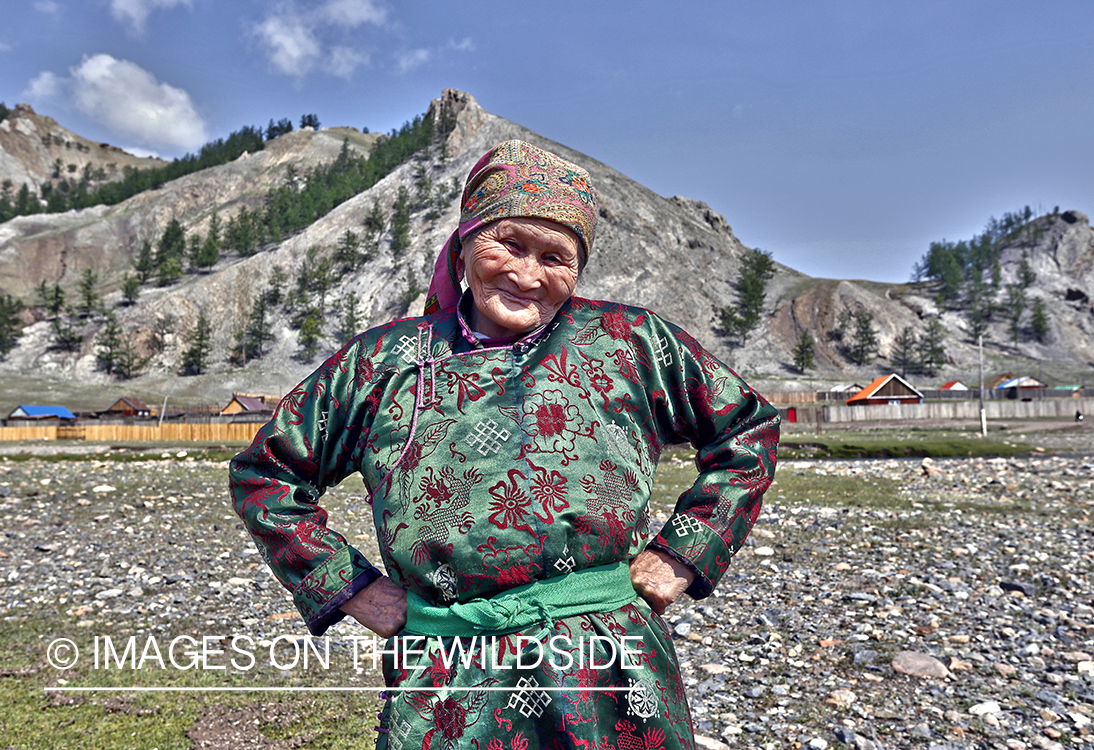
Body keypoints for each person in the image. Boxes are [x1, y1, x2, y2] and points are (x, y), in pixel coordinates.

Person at [230, 139, 779, 749]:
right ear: (465, 242)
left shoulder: (629, 342)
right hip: (447, 666)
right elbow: (267, 475)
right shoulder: (381, 360)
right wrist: (350, 587)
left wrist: (683, 554)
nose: (526, 274)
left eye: (556, 256)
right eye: (509, 244)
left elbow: (747, 428)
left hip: (609, 663)